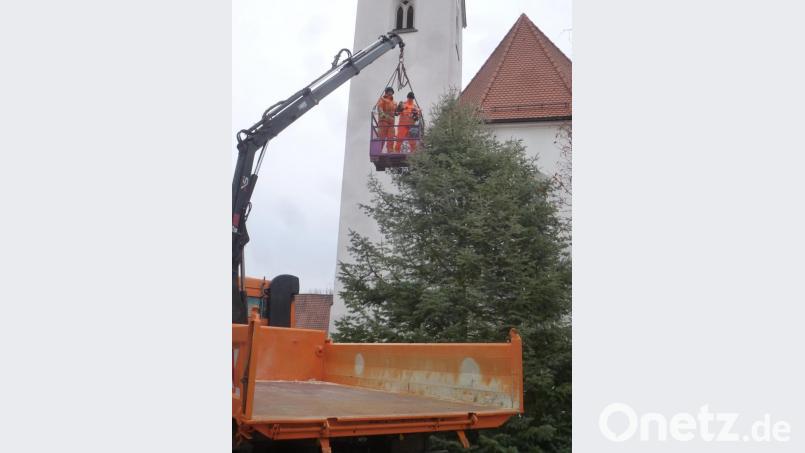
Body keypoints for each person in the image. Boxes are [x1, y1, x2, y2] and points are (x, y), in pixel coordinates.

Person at [375, 87, 397, 153]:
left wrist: (400, 108)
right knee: (382, 137)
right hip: (383, 120)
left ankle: (390, 150)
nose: (390, 92)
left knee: (391, 137)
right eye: (389, 91)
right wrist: (381, 113)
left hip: (391, 122)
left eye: (391, 91)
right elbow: (379, 107)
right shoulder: (382, 99)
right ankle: (379, 150)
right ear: (386, 92)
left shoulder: (394, 102)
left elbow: (396, 112)